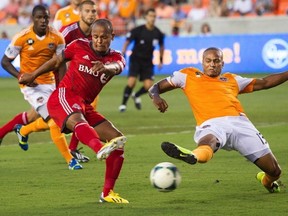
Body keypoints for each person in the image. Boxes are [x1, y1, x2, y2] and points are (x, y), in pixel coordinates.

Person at [18, 19, 129, 203]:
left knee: (118, 141)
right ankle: (99, 148)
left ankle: (107, 193)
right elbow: (57, 60)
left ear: (112, 37)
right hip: (64, 96)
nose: (99, 41)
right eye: (95, 37)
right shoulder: (78, 45)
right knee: (79, 120)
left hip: (84, 104)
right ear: (91, 36)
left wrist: (106, 68)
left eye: (104, 37)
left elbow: (117, 68)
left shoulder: (116, 58)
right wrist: (33, 74)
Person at [148, 47, 288, 193]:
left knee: (275, 171)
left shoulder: (232, 79)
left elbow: (265, 83)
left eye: (216, 61)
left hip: (241, 124)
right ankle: (193, 155)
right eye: (208, 61)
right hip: (212, 123)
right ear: (202, 62)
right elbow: (155, 87)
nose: (212, 64)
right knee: (210, 140)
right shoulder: (187, 75)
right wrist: (156, 97)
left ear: (222, 63)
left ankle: (267, 182)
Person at [0, 5, 82, 170]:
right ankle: (70, 160)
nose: (43, 20)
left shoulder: (57, 38)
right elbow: (5, 61)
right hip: (31, 86)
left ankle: (21, 131)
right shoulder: (22, 37)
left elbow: (61, 64)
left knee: (34, 116)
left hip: (50, 83)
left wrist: (61, 88)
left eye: (46, 17)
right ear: (33, 19)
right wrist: (20, 77)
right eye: (39, 17)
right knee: (54, 121)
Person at [118, 8, 165, 112]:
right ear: (146, 17)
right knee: (131, 82)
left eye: (154, 16)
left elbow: (162, 47)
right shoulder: (139, 30)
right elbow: (127, 41)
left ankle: (136, 95)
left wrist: (161, 60)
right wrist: (124, 52)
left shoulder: (158, 33)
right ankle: (123, 105)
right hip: (136, 59)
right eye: (150, 16)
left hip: (148, 61)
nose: (152, 18)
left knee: (149, 86)